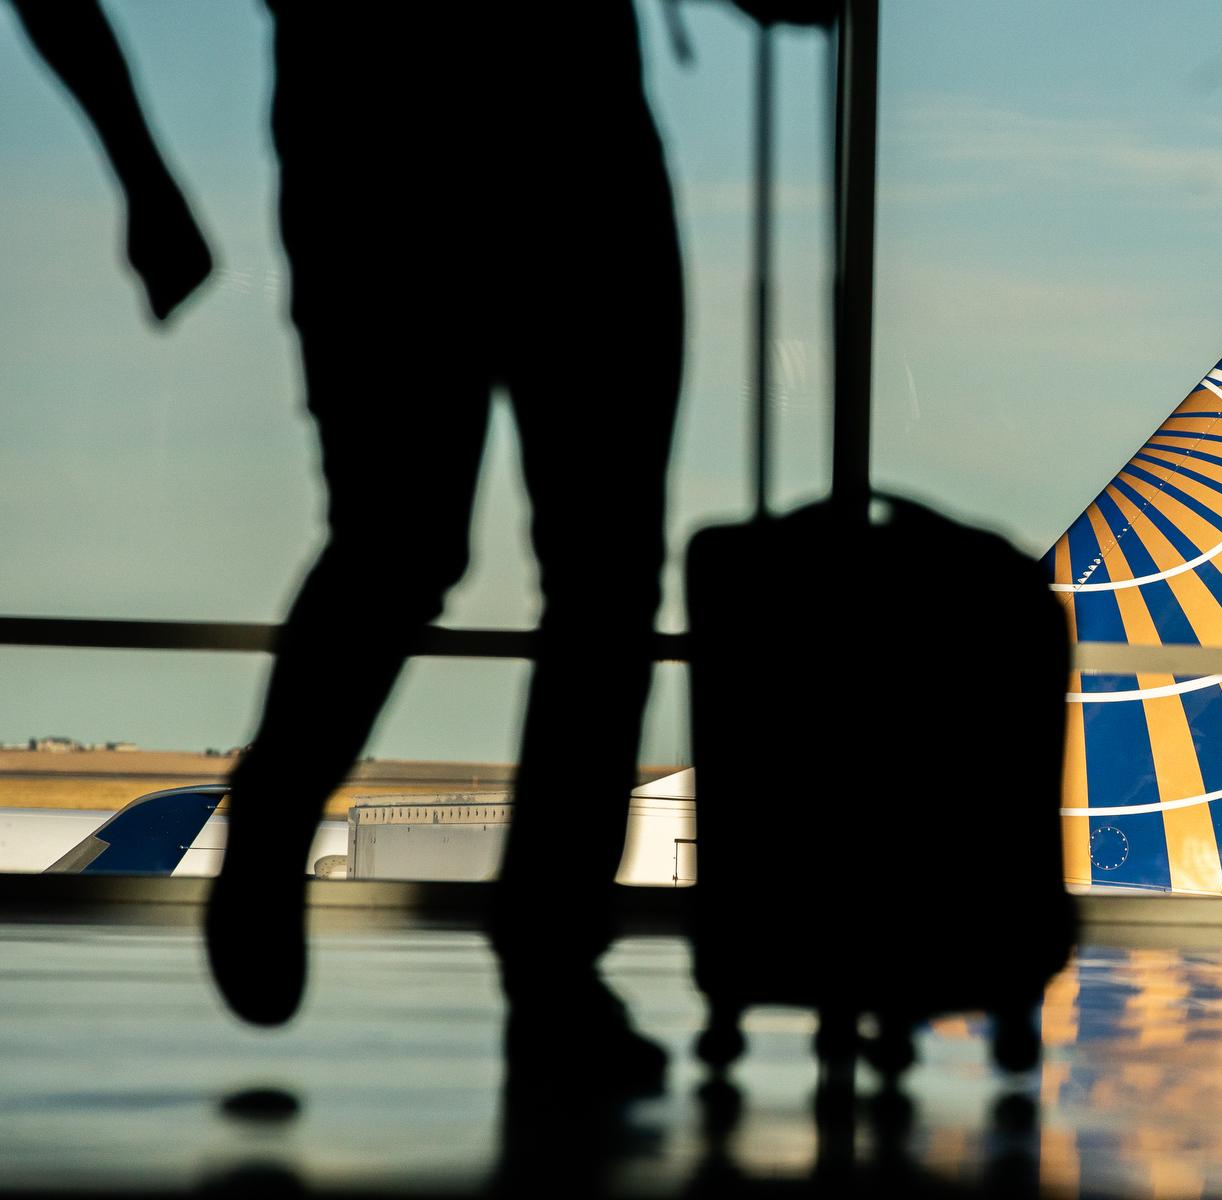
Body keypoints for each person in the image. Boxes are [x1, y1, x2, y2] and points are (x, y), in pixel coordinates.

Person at [14, 0, 830, 1099]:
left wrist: (142, 170)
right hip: (575, 144)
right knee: (600, 576)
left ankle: (280, 819)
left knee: (399, 545)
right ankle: (550, 972)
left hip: (370, 142)